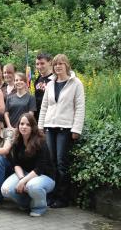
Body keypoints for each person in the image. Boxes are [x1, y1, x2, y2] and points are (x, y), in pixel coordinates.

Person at [38, 54, 85, 208]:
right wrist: (40, 127)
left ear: (67, 65)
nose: (58, 66)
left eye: (61, 64)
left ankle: (63, 197)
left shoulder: (75, 83)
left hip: (65, 128)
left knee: (61, 163)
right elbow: (44, 106)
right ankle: (51, 194)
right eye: (56, 64)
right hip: (50, 127)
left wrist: (76, 128)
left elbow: (79, 107)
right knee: (50, 162)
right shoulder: (50, 83)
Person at [1, 113, 55, 217]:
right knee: (5, 189)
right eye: (22, 124)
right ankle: (27, 204)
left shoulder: (41, 142)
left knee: (32, 186)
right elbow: (16, 164)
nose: (24, 127)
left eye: (28, 124)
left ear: (33, 127)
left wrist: (24, 181)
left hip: (44, 176)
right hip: (25, 174)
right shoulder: (17, 141)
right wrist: (21, 178)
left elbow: (40, 168)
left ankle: (39, 207)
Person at [34, 53, 53, 121]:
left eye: (42, 63)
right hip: (37, 116)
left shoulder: (54, 79)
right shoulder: (38, 78)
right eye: (37, 64)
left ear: (50, 63)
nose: (39, 66)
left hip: (49, 116)